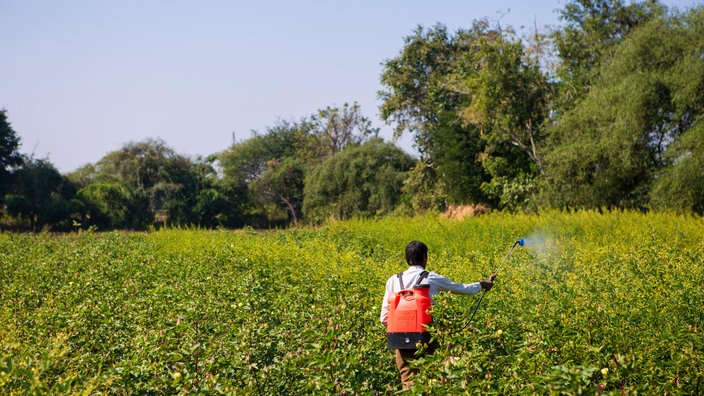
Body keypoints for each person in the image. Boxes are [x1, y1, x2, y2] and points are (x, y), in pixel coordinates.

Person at [380, 240, 494, 390]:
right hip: (427, 337)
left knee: (408, 383)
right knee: (433, 377)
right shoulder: (430, 278)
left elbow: (384, 318)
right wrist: (482, 284)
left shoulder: (393, 280)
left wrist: (403, 327)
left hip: (399, 340)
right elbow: (462, 288)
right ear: (425, 258)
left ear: (406, 259)